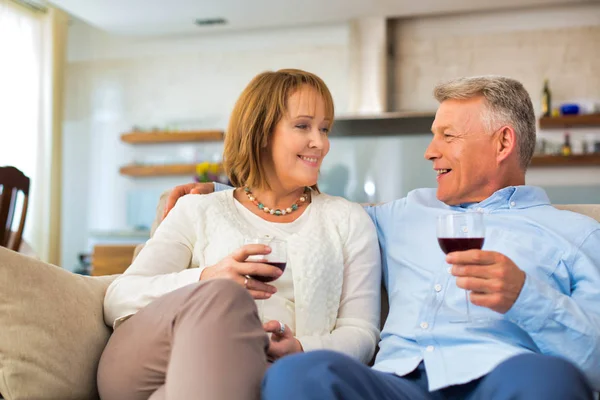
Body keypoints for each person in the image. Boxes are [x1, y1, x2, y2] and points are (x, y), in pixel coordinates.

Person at [166, 76, 599, 399]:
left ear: (503, 142)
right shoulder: (401, 214)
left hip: (504, 382)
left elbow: (594, 363)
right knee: (300, 375)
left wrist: (527, 297)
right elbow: (315, 214)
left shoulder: (577, 236)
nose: (430, 151)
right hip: (395, 386)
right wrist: (221, 195)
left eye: (447, 136)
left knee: (549, 379)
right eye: (433, 136)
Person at [97, 69, 381, 400]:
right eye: (303, 126)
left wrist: (302, 348)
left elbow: (362, 332)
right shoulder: (199, 209)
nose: (320, 142)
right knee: (224, 296)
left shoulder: (348, 220)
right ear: (261, 133)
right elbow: (119, 297)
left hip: (236, 380)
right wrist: (208, 279)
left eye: (324, 128)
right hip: (149, 363)